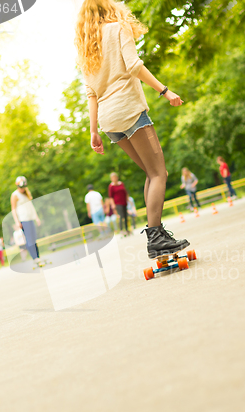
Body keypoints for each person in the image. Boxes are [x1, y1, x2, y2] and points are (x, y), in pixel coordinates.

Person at [74, 0, 189, 258]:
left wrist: (94, 132)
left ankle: (156, 234)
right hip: (129, 110)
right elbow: (134, 66)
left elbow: (91, 93)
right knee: (160, 173)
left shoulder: (86, 47)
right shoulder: (118, 28)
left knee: (150, 173)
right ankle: (156, 236)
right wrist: (165, 90)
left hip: (108, 121)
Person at [10, 176, 43, 266]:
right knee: (29, 239)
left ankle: (38, 257)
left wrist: (36, 217)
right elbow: (13, 209)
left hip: (30, 218)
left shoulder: (26, 194)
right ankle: (35, 258)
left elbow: (31, 206)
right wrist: (17, 221)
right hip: (23, 219)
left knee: (34, 238)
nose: (22, 189)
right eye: (21, 187)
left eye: (23, 187)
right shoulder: (15, 195)